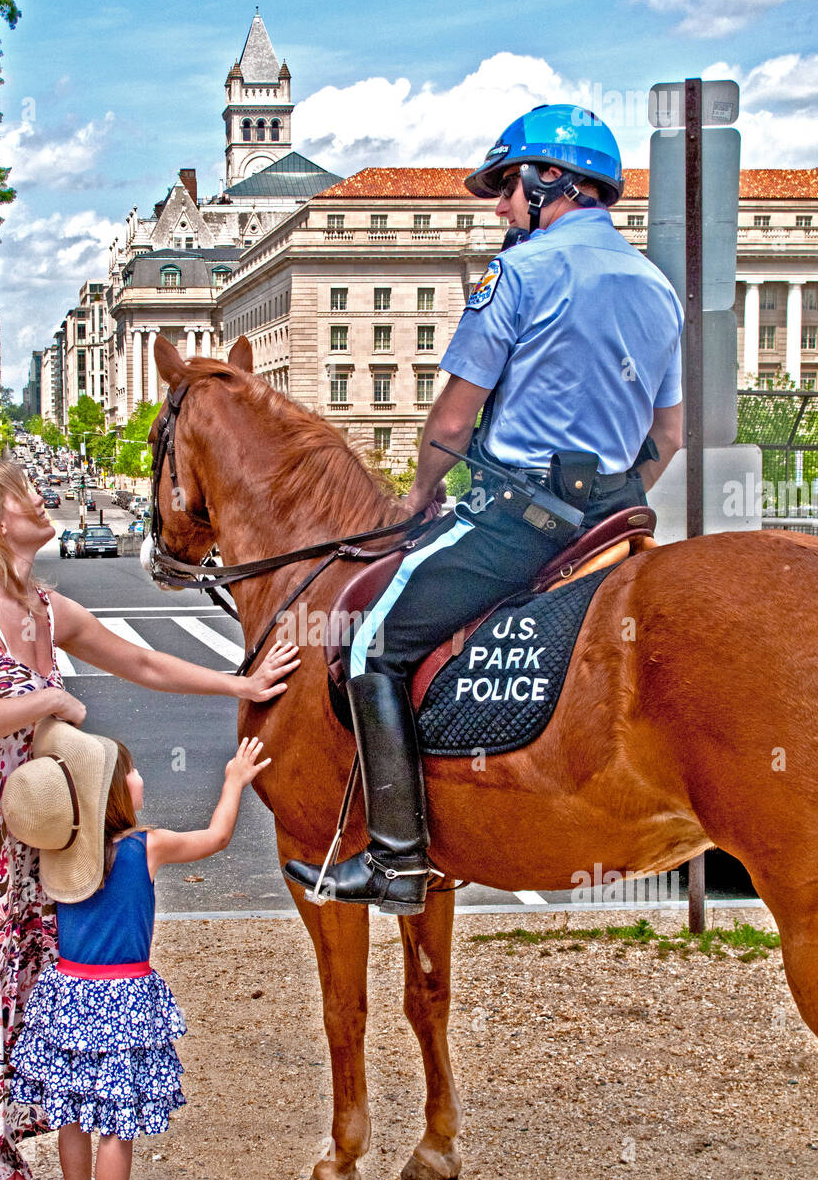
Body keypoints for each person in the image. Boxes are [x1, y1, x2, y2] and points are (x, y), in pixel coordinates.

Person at [285, 102, 684, 916]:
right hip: (613, 518)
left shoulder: (519, 273)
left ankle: (397, 859)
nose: (499, 206)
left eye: (506, 187)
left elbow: (451, 420)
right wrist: (616, 495)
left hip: (516, 519)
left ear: (551, 183)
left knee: (366, 646)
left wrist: (418, 498)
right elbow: (669, 433)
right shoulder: (656, 288)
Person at [0, 459, 297, 1180]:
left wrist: (241, 682)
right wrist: (48, 700)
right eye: (21, 495)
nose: (37, 499)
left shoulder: (43, 607)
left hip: (33, 848)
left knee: (12, 1006)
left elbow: (143, 663)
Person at [0, 722, 269, 1180]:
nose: (142, 777)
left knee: (69, 1113)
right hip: (123, 998)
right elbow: (216, 838)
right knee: (117, 1126)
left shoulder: (61, 851)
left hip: (66, 993)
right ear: (116, 792)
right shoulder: (147, 846)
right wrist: (235, 780)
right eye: (134, 771)